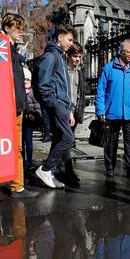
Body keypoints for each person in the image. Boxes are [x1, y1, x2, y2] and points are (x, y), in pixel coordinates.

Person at [0, 13, 39, 198]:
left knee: (16, 149)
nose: (21, 31)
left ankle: (17, 185)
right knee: (14, 149)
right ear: (8, 28)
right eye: (18, 27)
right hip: (9, 106)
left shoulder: (14, 52)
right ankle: (17, 186)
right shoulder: (3, 51)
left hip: (17, 106)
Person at [96, 40, 130, 178]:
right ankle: (110, 167)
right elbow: (100, 90)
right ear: (121, 52)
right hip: (112, 113)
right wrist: (100, 111)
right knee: (111, 142)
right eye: (128, 52)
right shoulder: (109, 68)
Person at [34, 24, 76, 189]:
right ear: (60, 37)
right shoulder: (51, 56)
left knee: (60, 138)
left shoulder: (60, 56)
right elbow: (42, 84)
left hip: (63, 105)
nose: (71, 43)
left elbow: (63, 85)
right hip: (56, 103)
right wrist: (53, 102)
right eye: (69, 39)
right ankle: (45, 168)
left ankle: (49, 171)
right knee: (68, 138)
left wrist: (68, 108)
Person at [56, 41, 86, 186]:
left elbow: (81, 92)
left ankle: (57, 168)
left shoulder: (80, 71)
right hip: (64, 111)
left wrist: (79, 111)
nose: (77, 59)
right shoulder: (62, 70)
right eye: (75, 56)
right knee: (67, 141)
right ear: (68, 56)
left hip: (74, 111)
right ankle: (68, 170)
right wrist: (67, 111)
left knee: (66, 141)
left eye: (80, 57)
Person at [22, 67, 41, 174]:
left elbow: (37, 105)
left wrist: (36, 115)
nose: (26, 81)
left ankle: (29, 162)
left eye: (28, 80)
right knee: (21, 144)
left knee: (29, 143)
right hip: (22, 120)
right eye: (24, 79)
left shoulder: (32, 92)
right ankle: (22, 162)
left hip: (29, 122)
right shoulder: (19, 91)